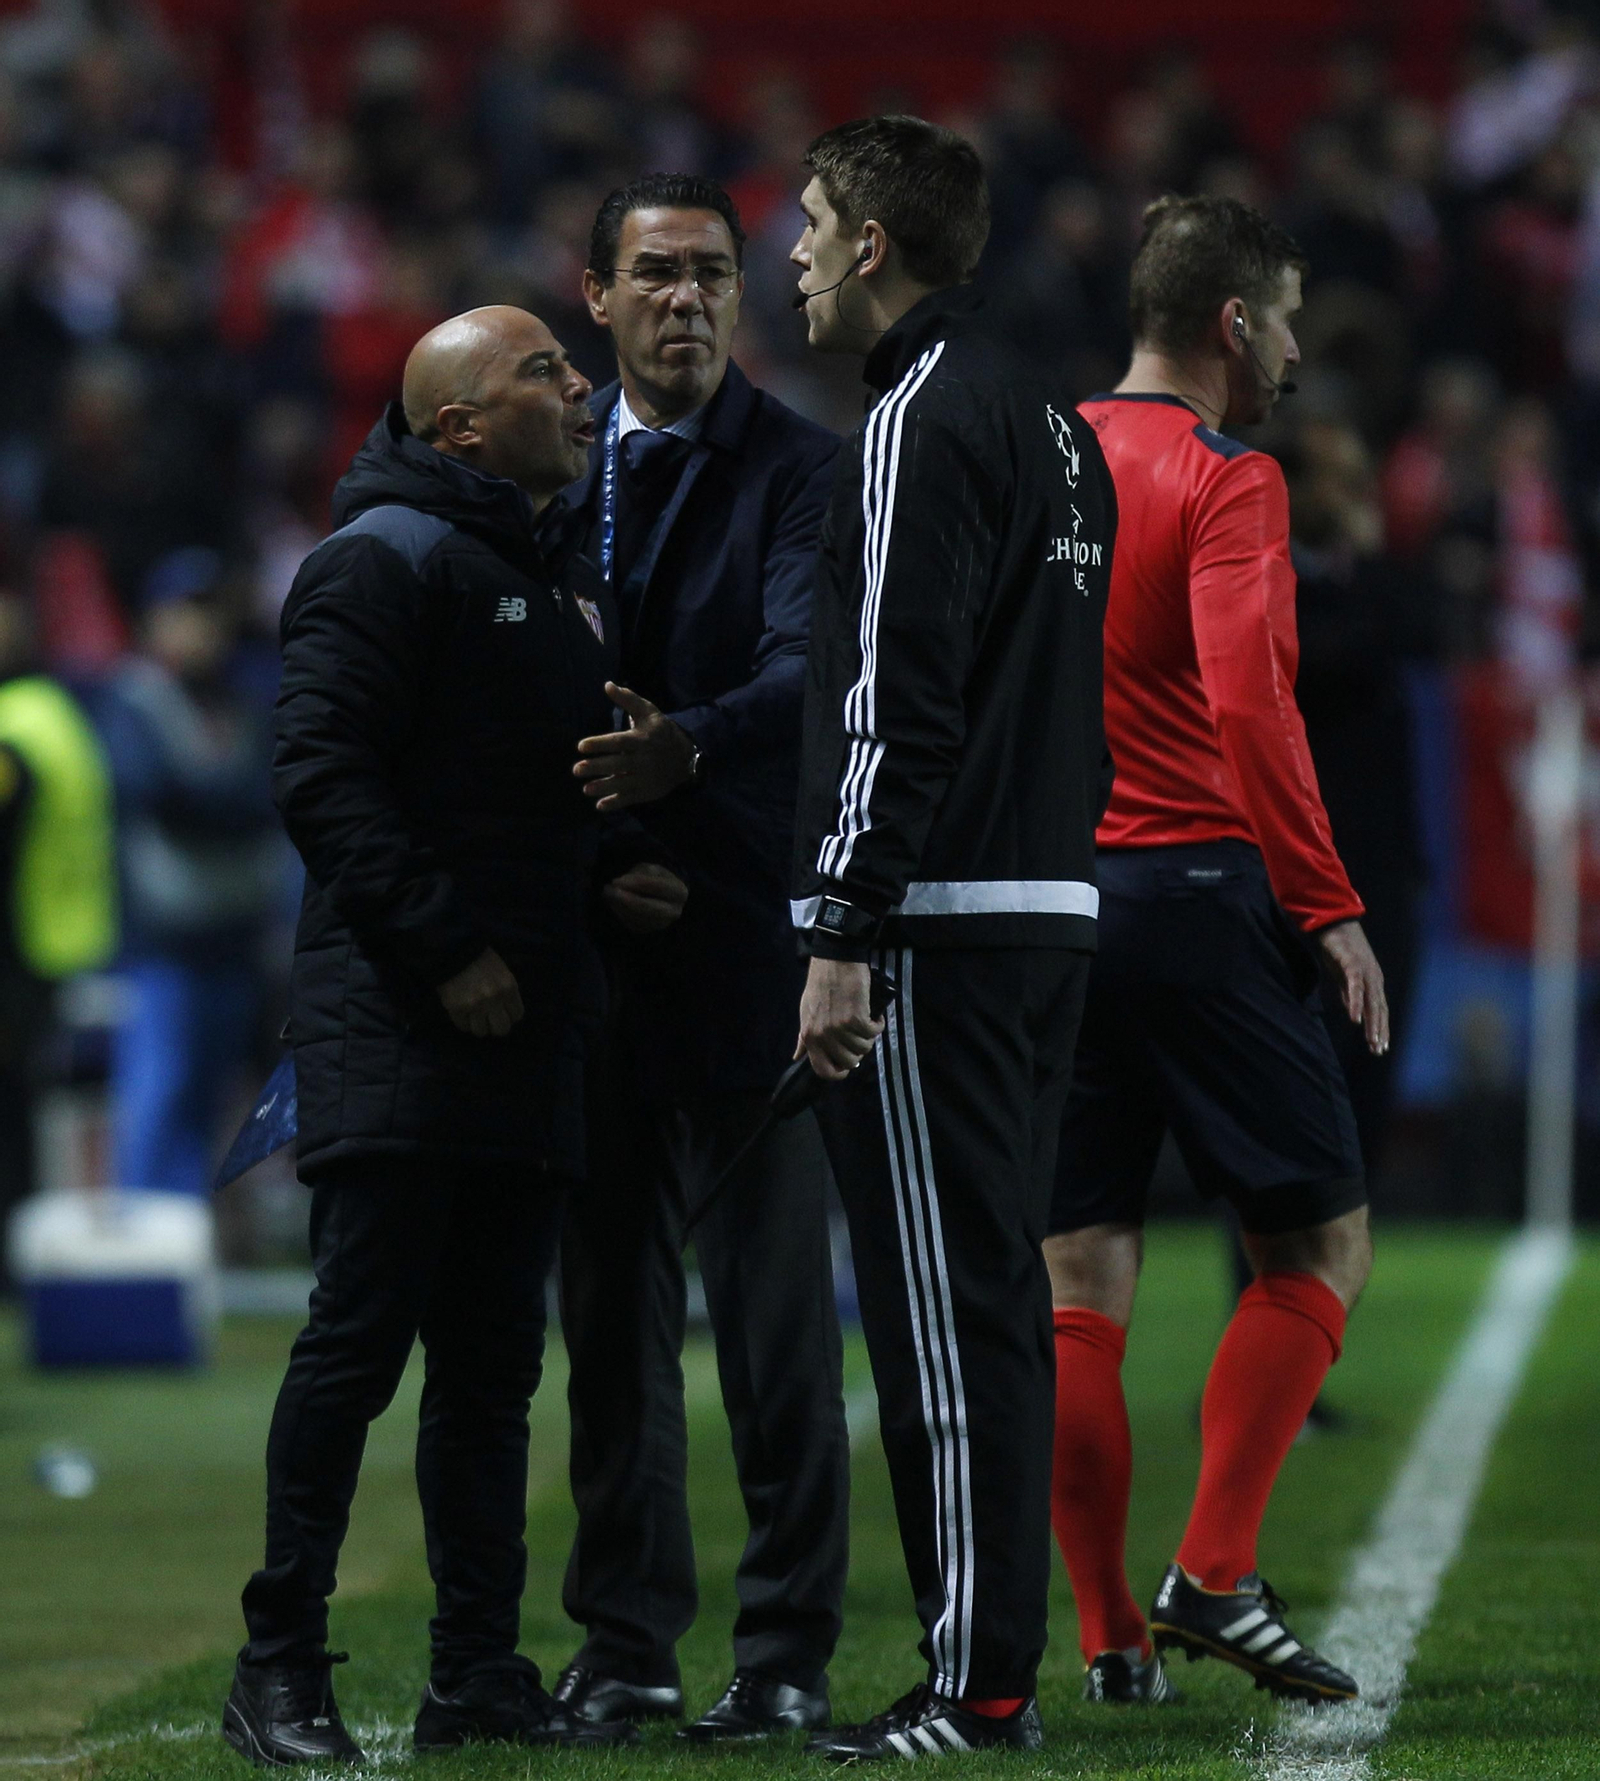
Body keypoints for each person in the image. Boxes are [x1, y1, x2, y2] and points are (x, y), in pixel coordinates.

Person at [223, 306, 686, 1768]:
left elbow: (503, 800)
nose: (580, 386)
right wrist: (447, 947)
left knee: (492, 1366)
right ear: (461, 428)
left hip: (524, 1015)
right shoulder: (381, 560)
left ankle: (475, 1673)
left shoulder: (537, 580)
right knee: (359, 1340)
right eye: (544, 369)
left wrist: (610, 881)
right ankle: (277, 1666)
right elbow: (320, 773)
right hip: (404, 1014)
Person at [789, 116, 1116, 1761]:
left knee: (941, 1306)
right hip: (1046, 906)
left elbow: (892, 695)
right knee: (986, 1293)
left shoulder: (921, 415)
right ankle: (990, 1668)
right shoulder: (1059, 426)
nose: (789, 255)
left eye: (806, 222)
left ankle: (977, 1688)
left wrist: (841, 919)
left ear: (869, 244)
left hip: (941, 925)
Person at [1044, 196, 1388, 1710]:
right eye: (1290, 317)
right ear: (1234, 324)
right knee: (1319, 1247)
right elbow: (1250, 705)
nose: (1299, 349)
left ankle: (1110, 1636)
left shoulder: (1038, 454)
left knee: (1079, 1277)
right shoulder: (1226, 476)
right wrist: (1326, 903)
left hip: (1048, 909)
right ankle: (1217, 1572)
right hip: (1192, 898)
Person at [552, 173, 848, 1742]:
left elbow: (809, 677)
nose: (688, 301)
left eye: (714, 275)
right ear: (591, 294)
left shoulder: (803, 471)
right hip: (601, 948)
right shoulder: (545, 465)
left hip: (746, 946)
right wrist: (611, 855)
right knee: (608, 1323)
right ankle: (627, 1643)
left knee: (777, 1325)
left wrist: (686, 770)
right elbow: (507, 692)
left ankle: (789, 1647)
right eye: (656, 274)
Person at [96, 548, 282, 1200]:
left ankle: (185, 1246)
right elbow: (158, 790)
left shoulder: (245, 699)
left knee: (212, 1103)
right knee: (157, 1093)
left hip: (234, 935)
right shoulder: (134, 697)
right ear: (154, 621)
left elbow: (273, 795)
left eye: (211, 613)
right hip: (162, 943)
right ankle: (143, 1253)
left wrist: (220, 798)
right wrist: (229, 800)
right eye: (185, 612)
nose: (201, 628)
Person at [0, 589, 116, 1248]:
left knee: (14, 1120)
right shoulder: (56, 714)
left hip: (19, 950)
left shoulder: (11, 730)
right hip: (67, 939)